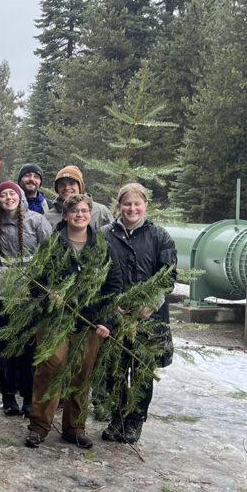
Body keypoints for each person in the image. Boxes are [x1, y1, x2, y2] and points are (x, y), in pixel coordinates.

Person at [25, 193, 122, 449]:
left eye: (84, 210)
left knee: (82, 375)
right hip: (55, 322)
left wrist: (106, 321)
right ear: (65, 215)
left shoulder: (102, 247)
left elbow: (113, 287)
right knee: (49, 370)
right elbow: (35, 281)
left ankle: (74, 427)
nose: (80, 215)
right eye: (74, 211)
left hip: (89, 324)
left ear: (90, 214)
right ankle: (39, 427)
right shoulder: (52, 244)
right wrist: (49, 294)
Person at [102, 183, 176, 444]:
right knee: (116, 370)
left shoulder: (159, 236)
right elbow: (99, 275)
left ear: (145, 205)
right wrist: (112, 305)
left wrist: (150, 304)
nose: (132, 208)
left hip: (149, 319)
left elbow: (167, 277)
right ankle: (117, 418)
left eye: (137, 203)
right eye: (126, 203)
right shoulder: (105, 235)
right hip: (117, 317)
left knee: (142, 372)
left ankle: (135, 421)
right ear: (118, 206)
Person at [0, 181, 52, 417]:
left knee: (30, 346)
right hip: (2, 294)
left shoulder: (36, 220)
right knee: (4, 345)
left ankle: (29, 394)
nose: (8, 198)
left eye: (11, 194)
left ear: (19, 197)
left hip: (30, 295)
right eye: (3, 195)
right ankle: (7, 394)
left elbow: (49, 254)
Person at [44, 165, 112, 232]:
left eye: (72, 183)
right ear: (57, 188)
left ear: (80, 187)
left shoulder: (100, 212)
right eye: (62, 184)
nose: (67, 188)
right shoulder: (48, 217)